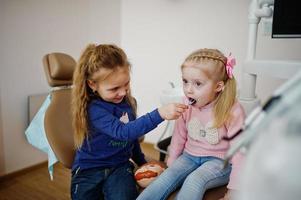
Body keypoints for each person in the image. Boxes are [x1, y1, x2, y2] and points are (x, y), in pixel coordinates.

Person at [70, 44, 188, 200]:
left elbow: (131, 139)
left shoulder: (127, 103)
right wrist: (160, 114)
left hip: (119, 167)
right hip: (89, 170)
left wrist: (141, 162)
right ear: (93, 84)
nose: (123, 92)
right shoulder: (94, 109)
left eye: (126, 84)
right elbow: (123, 133)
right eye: (114, 88)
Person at [137, 48, 246, 200]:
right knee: (166, 178)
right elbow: (179, 136)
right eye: (185, 81)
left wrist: (234, 190)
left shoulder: (232, 110)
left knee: (194, 180)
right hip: (189, 156)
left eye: (198, 84)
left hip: (219, 161)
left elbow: (239, 151)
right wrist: (172, 164)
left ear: (218, 86)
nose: (188, 90)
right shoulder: (185, 104)